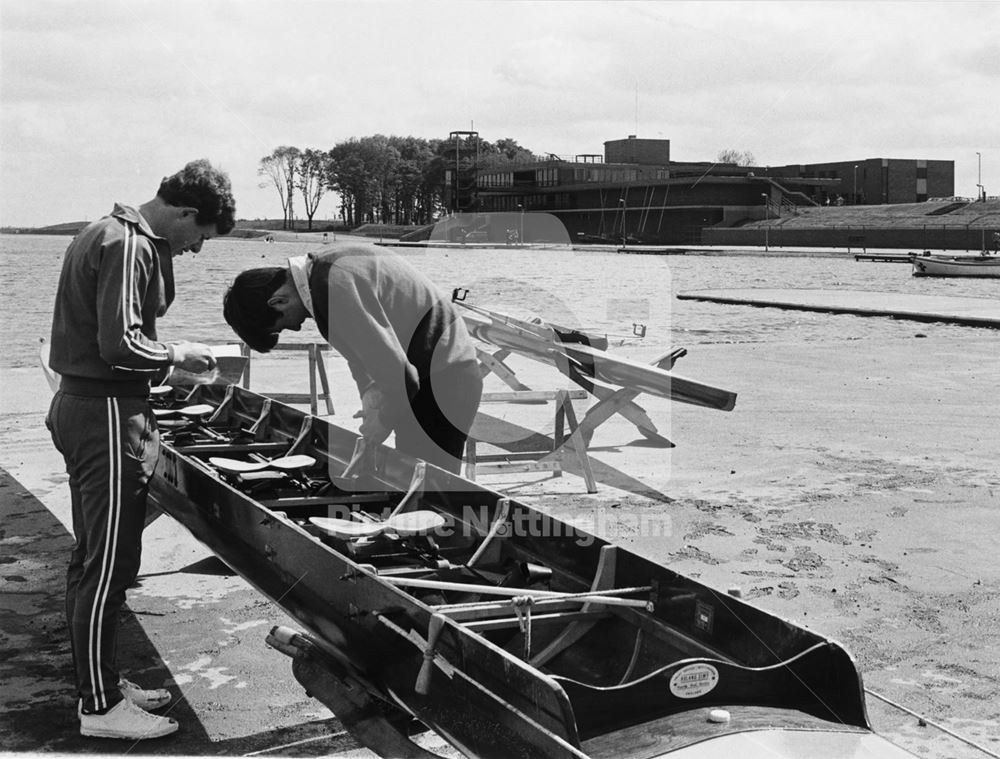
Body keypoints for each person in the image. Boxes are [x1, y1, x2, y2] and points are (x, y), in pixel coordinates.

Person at [46, 159, 236, 740]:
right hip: (105, 412)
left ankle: (100, 681)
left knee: (91, 558)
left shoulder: (100, 230)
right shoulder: (130, 244)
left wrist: (158, 374)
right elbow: (120, 342)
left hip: (86, 404)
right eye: (200, 236)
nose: (198, 249)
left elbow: (105, 341)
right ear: (184, 213)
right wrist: (179, 355)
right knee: (108, 566)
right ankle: (99, 710)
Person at [222, 246, 482, 475]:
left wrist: (379, 426)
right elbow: (360, 353)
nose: (297, 328)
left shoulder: (332, 287)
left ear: (278, 300)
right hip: (435, 374)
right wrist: (370, 396)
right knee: (416, 482)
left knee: (432, 492)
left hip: (444, 379)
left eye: (282, 327)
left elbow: (404, 380)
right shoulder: (320, 272)